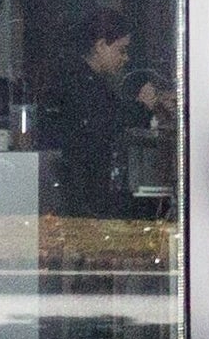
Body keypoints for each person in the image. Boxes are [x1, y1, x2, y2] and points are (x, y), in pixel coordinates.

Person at [57, 13, 173, 217]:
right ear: (101, 46)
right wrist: (143, 106)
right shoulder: (80, 82)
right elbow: (106, 122)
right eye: (122, 50)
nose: (125, 58)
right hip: (87, 190)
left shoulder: (87, 80)